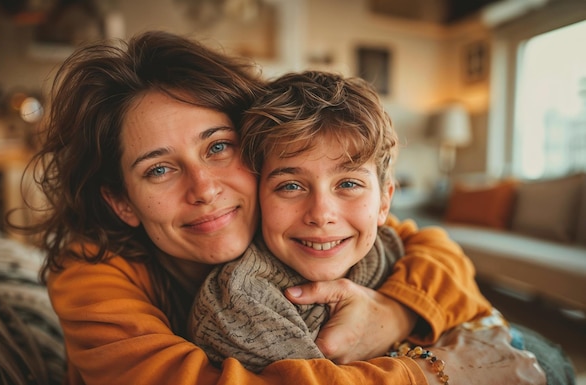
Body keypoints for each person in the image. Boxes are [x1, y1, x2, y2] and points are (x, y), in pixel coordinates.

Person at [27, 30, 550, 384]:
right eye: (159, 169)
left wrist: (393, 313)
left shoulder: (289, 227)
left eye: (218, 147)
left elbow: (434, 249)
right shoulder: (91, 277)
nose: (204, 188)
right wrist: (438, 371)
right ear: (122, 202)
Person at [189, 70, 406, 372]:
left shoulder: (390, 249)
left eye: (349, 184)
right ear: (259, 197)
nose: (320, 214)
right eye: (290, 186)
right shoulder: (241, 305)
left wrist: (403, 314)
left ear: (384, 201)